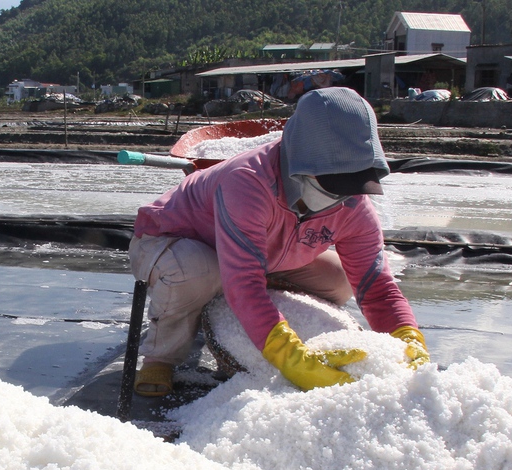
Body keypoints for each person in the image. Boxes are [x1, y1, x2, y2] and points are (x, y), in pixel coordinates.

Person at [128, 86, 428, 397]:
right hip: (172, 241)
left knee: (339, 281)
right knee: (198, 272)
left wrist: (407, 338)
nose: (341, 198)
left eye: (350, 185)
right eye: (332, 184)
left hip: (259, 254)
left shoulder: (352, 204)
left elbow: (377, 286)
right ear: (299, 164)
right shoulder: (248, 182)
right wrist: (291, 358)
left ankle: (251, 309)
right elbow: (244, 281)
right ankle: (160, 357)